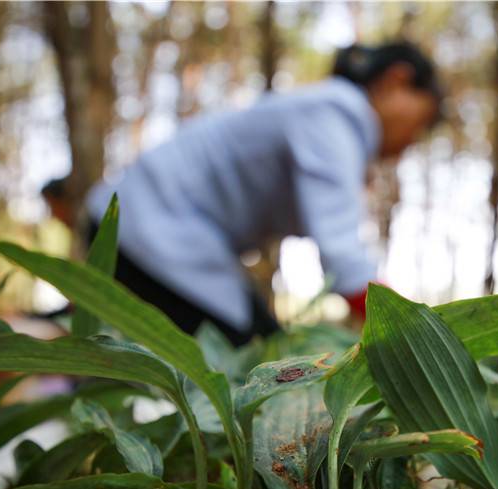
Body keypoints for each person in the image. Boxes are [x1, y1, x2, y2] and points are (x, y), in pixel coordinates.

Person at [82, 42, 442, 344]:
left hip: (160, 232)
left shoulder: (327, 114)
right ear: (398, 80)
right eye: (421, 124)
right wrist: (412, 339)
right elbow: (343, 256)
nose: (411, 141)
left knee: (263, 347)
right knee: (255, 363)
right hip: (147, 230)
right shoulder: (337, 114)